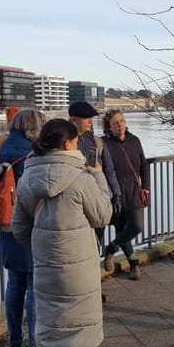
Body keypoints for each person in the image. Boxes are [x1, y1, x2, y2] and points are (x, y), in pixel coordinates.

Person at [12, 118, 112, 347]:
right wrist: (100, 179)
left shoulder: (28, 178)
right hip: (79, 269)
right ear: (69, 144)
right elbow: (103, 216)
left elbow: (19, 228)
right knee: (78, 330)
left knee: (49, 330)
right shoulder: (81, 178)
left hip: (45, 268)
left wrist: (44, 244)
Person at [0, 108, 46, 347]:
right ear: (33, 128)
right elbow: (34, 191)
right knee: (34, 287)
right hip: (27, 226)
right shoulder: (29, 154)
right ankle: (36, 346)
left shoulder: (5, 148)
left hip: (6, 227)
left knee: (14, 284)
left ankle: (15, 340)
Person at [101, 109, 150, 280]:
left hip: (135, 192)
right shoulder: (104, 144)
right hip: (116, 194)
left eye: (121, 121)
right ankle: (134, 264)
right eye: (115, 122)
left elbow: (144, 165)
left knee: (137, 227)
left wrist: (146, 187)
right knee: (121, 228)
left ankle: (111, 248)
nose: (120, 125)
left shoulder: (134, 141)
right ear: (109, 126)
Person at [68, 101, 121, 246]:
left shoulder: (96, 142)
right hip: (76, 202)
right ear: (74, 120)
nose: (90, 122)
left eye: (91, 119)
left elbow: (109, 170)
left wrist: (116, 194)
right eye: (86, 119)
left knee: (96, 242)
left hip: (97, 198)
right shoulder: (64, 142)